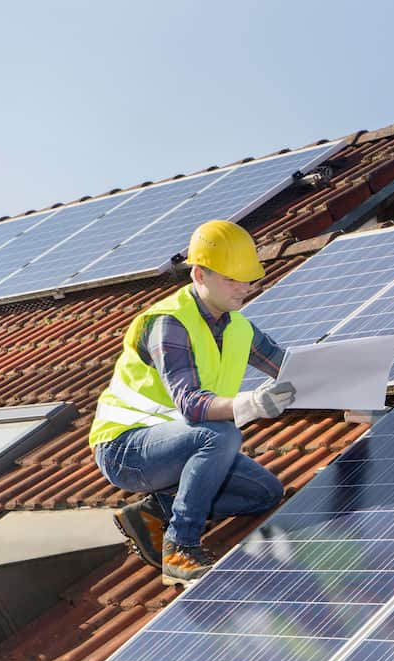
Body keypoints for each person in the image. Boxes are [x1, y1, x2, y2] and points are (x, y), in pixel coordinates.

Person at [89, 220, 295, 585]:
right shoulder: (169, 323)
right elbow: (190, 404)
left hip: (177, 444)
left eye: (247, 279)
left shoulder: (239, 327)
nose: (243, 289)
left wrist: (350, 385)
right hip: (125, 448)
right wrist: (249, 404)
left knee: (266, 493)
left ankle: (156, 510)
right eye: (232, 279)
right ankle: (180, 545)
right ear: (200, 275)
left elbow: (289, 369)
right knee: (221, 434)